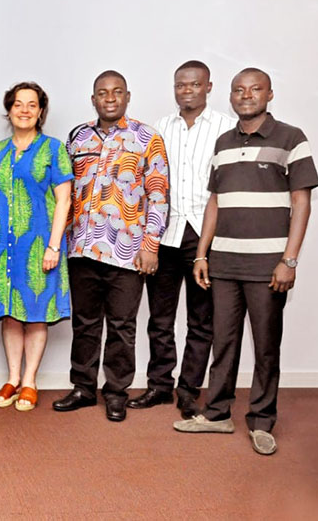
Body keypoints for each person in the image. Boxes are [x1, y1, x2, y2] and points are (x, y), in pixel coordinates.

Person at [174, 68, 318, 456]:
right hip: (223, 262)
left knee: (267, 346)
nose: (246, 95)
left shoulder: (291, 138)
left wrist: (289, 260)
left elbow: (301, 201)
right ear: (230, 96)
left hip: (268, 265)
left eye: (255, 89)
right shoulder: (222, 143)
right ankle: (217, 413)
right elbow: (215, 202)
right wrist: (202, 253)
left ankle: (261, 420)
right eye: (239, 90)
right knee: (223, 341)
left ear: (270, 94)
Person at [53, 70, 169, 422]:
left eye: (117, 92)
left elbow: (159, 195)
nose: (110, 98)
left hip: (127, 250)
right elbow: (65, 191)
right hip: (83, 249)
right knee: (85, 323)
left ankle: (116, 392)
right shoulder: (77, 137)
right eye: (102, 93)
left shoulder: (147, 138)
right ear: (93, 99)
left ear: (127, 97)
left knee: (122, 325)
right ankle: (83, 388)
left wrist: (151, 245)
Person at [129, 62, 235, 418]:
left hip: (207, 237)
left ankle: (188, 389)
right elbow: (148, 185)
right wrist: (148, 239)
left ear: (208, 86)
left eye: (194, 84)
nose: (186, 90)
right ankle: (159, 386)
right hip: (166, 233)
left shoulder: (227, 127)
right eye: (180, 85)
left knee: (200, 321)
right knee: (159, 318)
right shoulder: (159, 129)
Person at [0, 82, 72, 412]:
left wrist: (53, 247)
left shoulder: (53, 149)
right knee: (10, 313)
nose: (24, 110)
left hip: (40, 246)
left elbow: (64, 201)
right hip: (5, 248)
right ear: (9, 110)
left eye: (31, 104)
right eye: (18, 104)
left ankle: (30, 381)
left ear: (40, 111)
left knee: (36, 313)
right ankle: (11, 377)